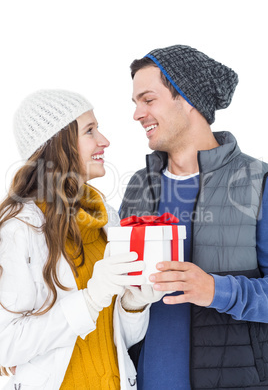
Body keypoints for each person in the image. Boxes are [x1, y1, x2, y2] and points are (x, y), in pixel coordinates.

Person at [119, 45, 268, 389]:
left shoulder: (257, 182)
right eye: (135, 102)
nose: (137, 114)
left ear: (186, 98)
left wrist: (216, 289)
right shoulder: (139, 186)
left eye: (148, 99)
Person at [0, 89, 150, 390]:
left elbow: (117, 338)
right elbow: (7, 345)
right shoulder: (20, 229)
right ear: (57, 145)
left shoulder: (105, 217)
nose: (104, 141)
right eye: (90, 131)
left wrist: (135, 304)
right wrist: (91, 299)